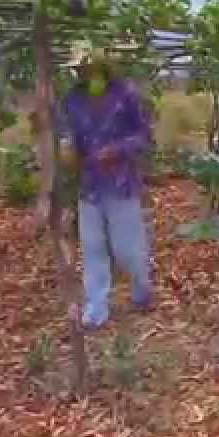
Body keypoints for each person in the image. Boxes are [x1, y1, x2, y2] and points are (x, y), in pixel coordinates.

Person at [59, 41, 155, 331]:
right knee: (92, 248)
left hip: (121, 183)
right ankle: (96, 307)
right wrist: (67, 150)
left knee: (128, 249)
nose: (84, 74)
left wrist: (118, 150)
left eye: (88, 68)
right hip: (89, 185)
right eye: (79, 70)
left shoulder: (125, 95)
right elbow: (68, 135)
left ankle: (141, 289)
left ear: (102, 68)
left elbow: (144, 136)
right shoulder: (72, 101)